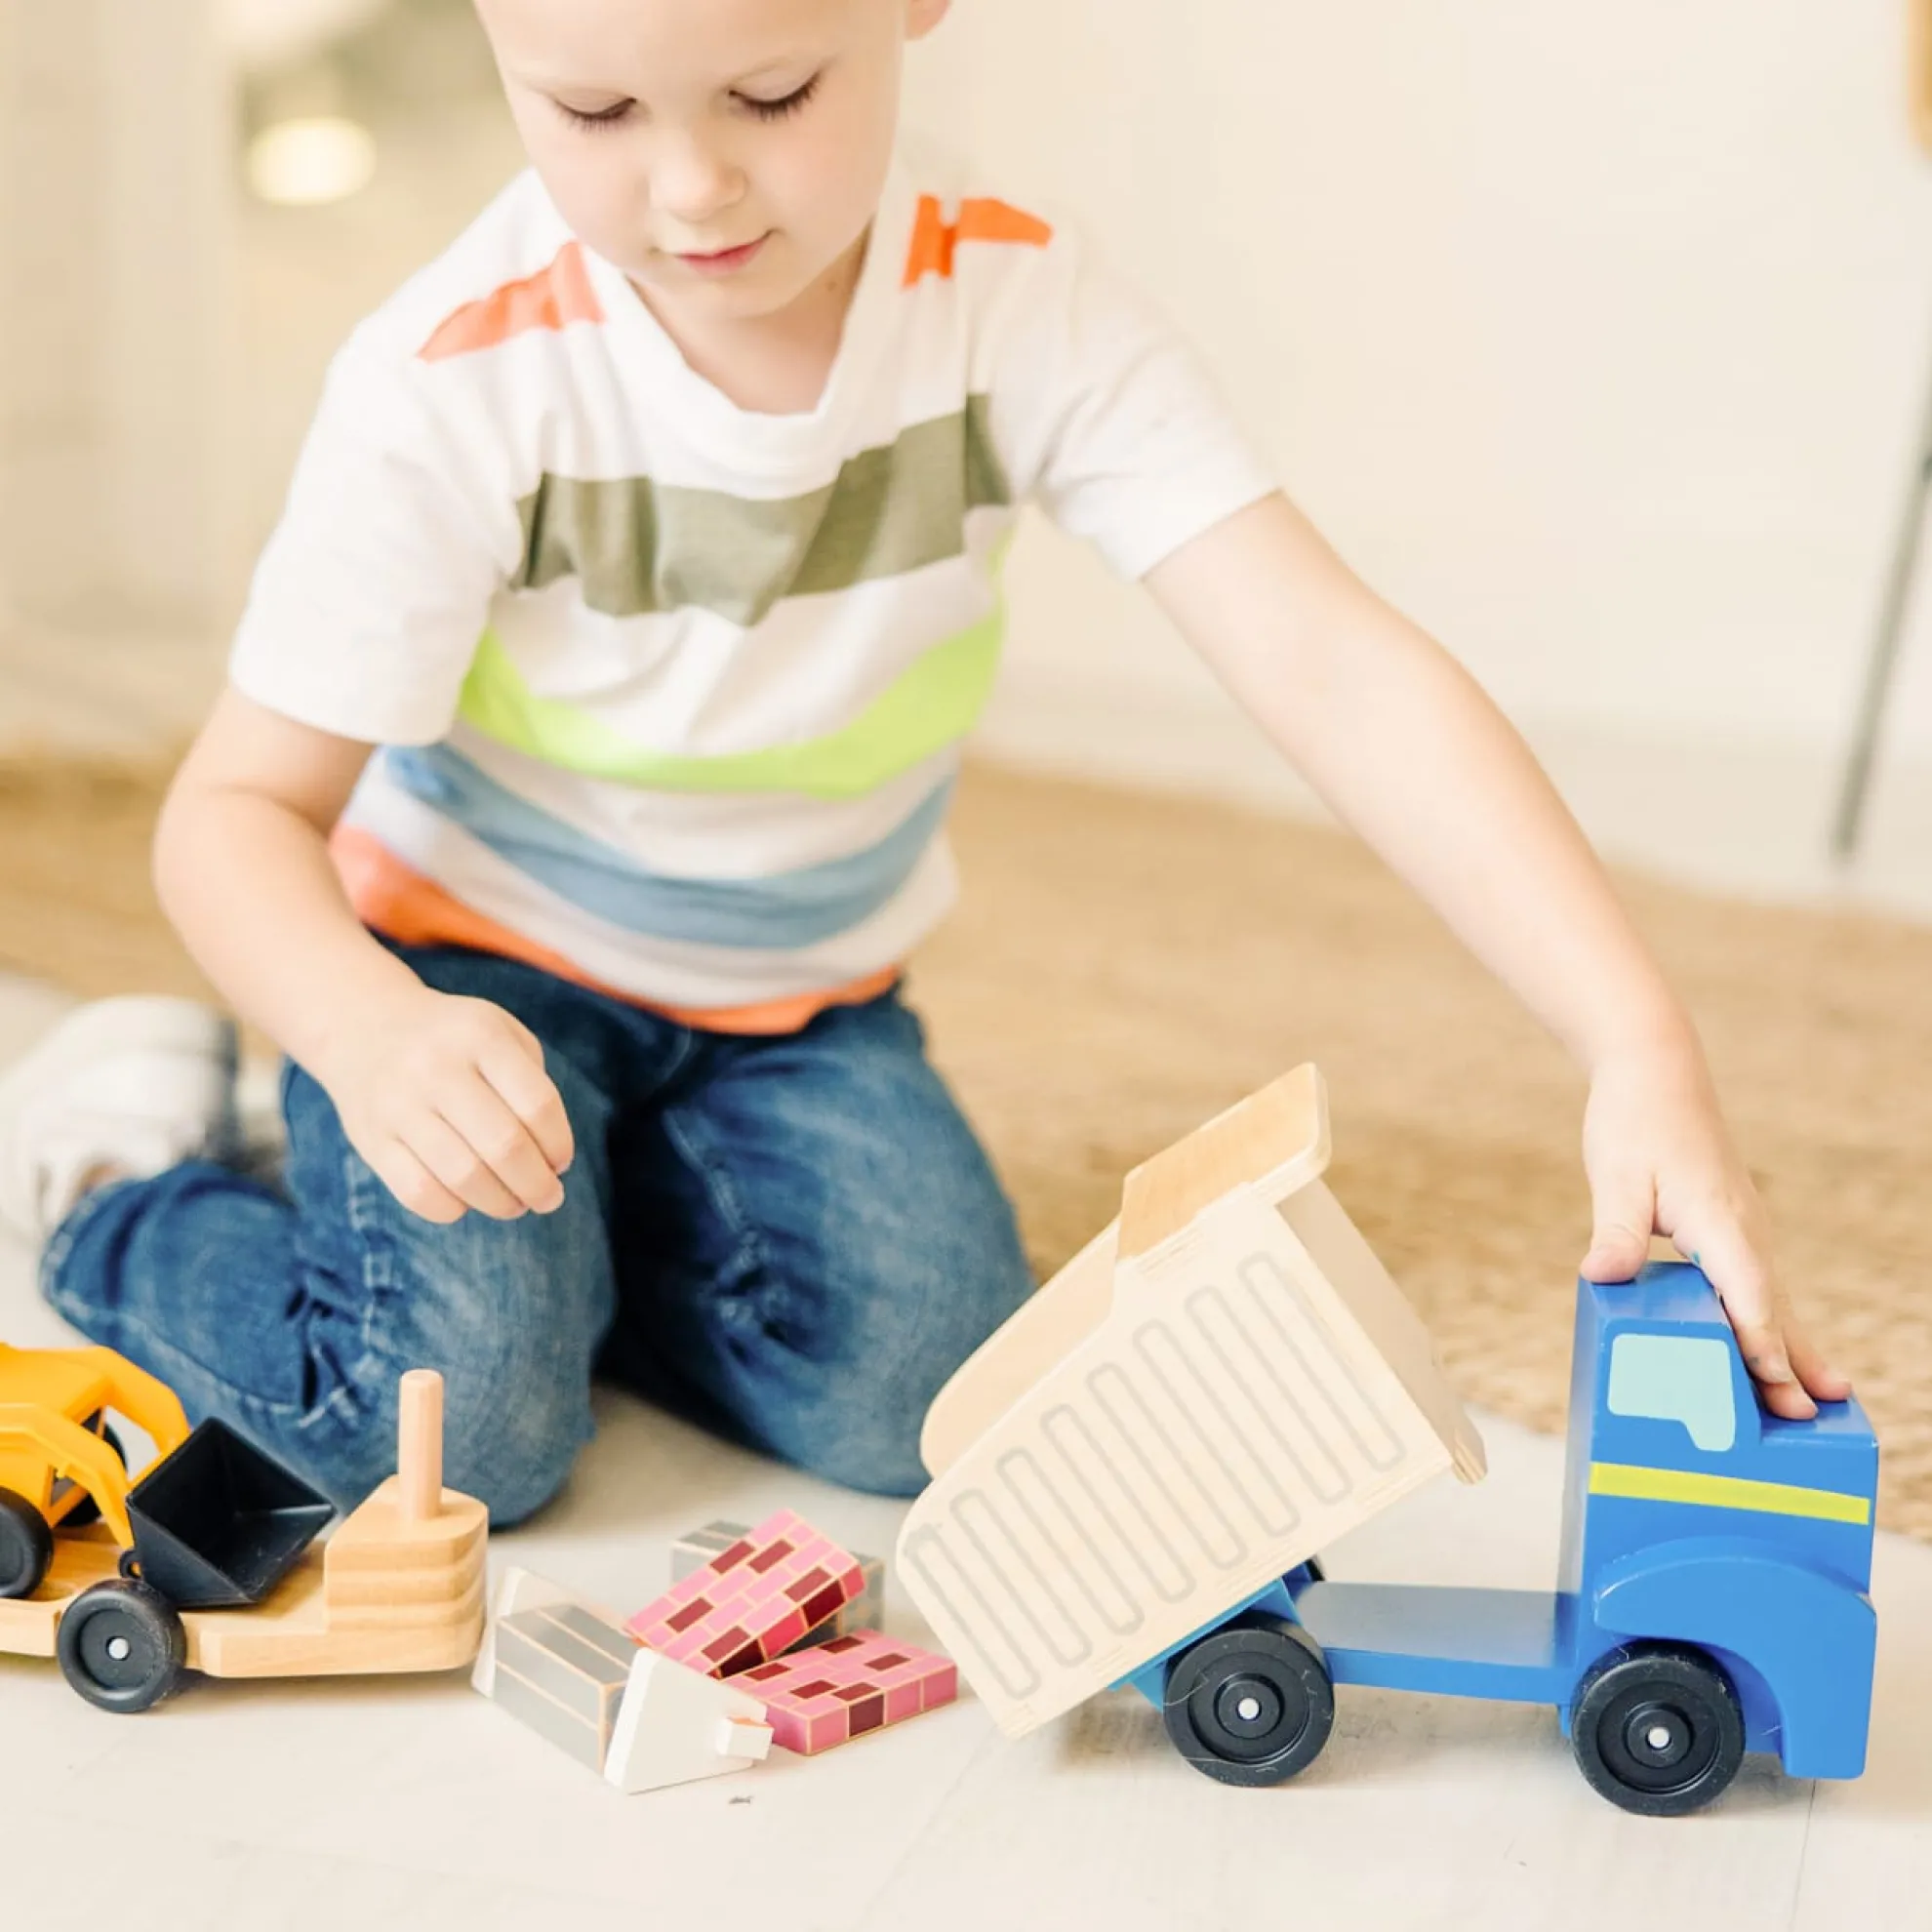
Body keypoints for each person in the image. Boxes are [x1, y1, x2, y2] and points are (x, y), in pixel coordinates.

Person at [0, 0, 1848, 1522]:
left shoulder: (1014, 304)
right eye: (593, 110)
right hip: (466, 989)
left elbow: (1330, 663)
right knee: (460, 1438)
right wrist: (361, 1030)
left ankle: (579, 1250)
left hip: (796, 1011)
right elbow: (233, 815)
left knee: (944, 1412)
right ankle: (118, 1184)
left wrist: (1636, 1039)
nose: (693, 184)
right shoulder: (454, 373)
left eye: (773, 93)